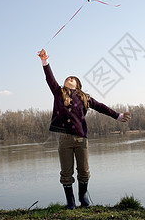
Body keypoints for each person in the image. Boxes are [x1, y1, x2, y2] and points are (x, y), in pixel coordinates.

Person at [38, 48, 131, 209]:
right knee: (66, 172)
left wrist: (118, 116)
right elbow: (49, 78)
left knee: (84, 171)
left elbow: (101, 107)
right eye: (68, 78)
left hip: (82, 139)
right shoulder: (59, 93)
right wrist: (45, 61)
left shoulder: (85, 97)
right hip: (64, 139)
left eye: (73, 78)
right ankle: (71, 202)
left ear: (78, 85)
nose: (70, 79)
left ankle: (83, 197)